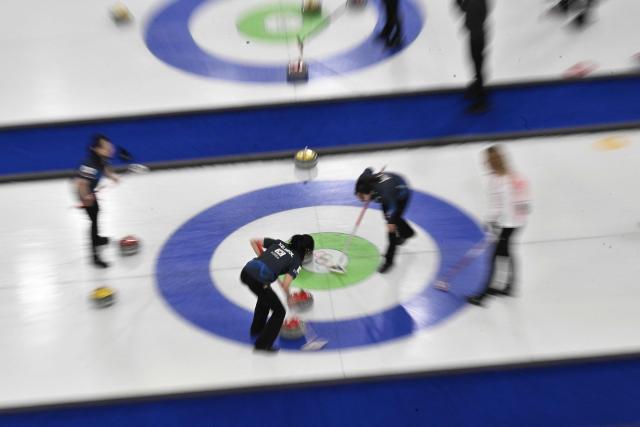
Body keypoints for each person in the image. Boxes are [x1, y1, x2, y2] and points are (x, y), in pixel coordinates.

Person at [467, 145, 530, 306]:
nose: (485, 163)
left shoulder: (504, 179)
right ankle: (510, 286)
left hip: (508, 224)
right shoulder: (507, 177)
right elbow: (511, 203)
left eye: (487, 160)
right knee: (506, 252)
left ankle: (485, 293)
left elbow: (505, 204)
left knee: (495, 256)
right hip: (510, 223)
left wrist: (493, 222)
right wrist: (494, 221)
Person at [241, 234, 315, 352]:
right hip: (258, 280)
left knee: (264, 299)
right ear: (306, 250)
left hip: (246, 271)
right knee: (279, 311)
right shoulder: (296, 261)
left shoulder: (279, 243)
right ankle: (262, 345)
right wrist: (288, 298)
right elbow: (286, 284)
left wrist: (264, 259)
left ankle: (257, 330)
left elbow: (254, 241)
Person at [355, 168, 415, 273]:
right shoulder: (363, 180)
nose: (361, 199)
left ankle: (389, 261)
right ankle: (407, 233)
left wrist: (391, 221)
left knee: (391, 226)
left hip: (400, 194)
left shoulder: (387, 193)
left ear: (370, 192)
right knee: (388, 218)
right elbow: (368, 169)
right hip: (386, 190)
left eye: (362, 197)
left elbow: (393, 210)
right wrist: (364, 195)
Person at [75, 135, 119, 268]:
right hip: (85, 193)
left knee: (97, 212)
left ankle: (99, 239)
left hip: (91, 191)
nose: (111, 150)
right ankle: (95, 256)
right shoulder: (89, 164)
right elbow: (81, 183)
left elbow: (105, 168)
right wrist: (86, 198)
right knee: (93, 221)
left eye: (110, 147)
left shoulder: (101, 159)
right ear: (97, 149)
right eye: (107, 148)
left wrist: (112, 177)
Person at [456, 0, 489, 113]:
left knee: (477, 65)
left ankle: (481, 100)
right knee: (476, 64)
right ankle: (478, 86)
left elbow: (466, 12)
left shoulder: (476, 3)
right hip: (478, 36)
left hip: (476, 38)